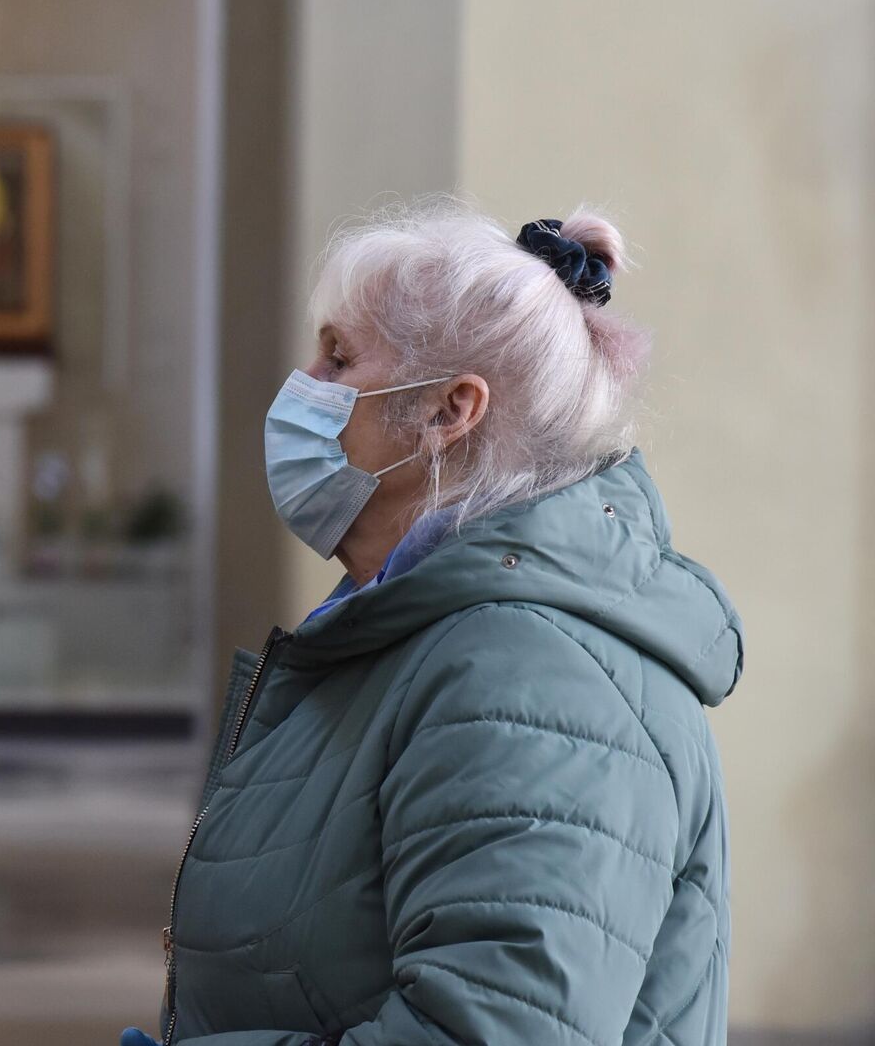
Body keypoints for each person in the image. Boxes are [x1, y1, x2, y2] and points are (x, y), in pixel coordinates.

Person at [125, 204, 740, 1045]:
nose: (303, 384)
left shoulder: (536, 679)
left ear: (450, 412)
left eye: (338, 358)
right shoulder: (422, 636)